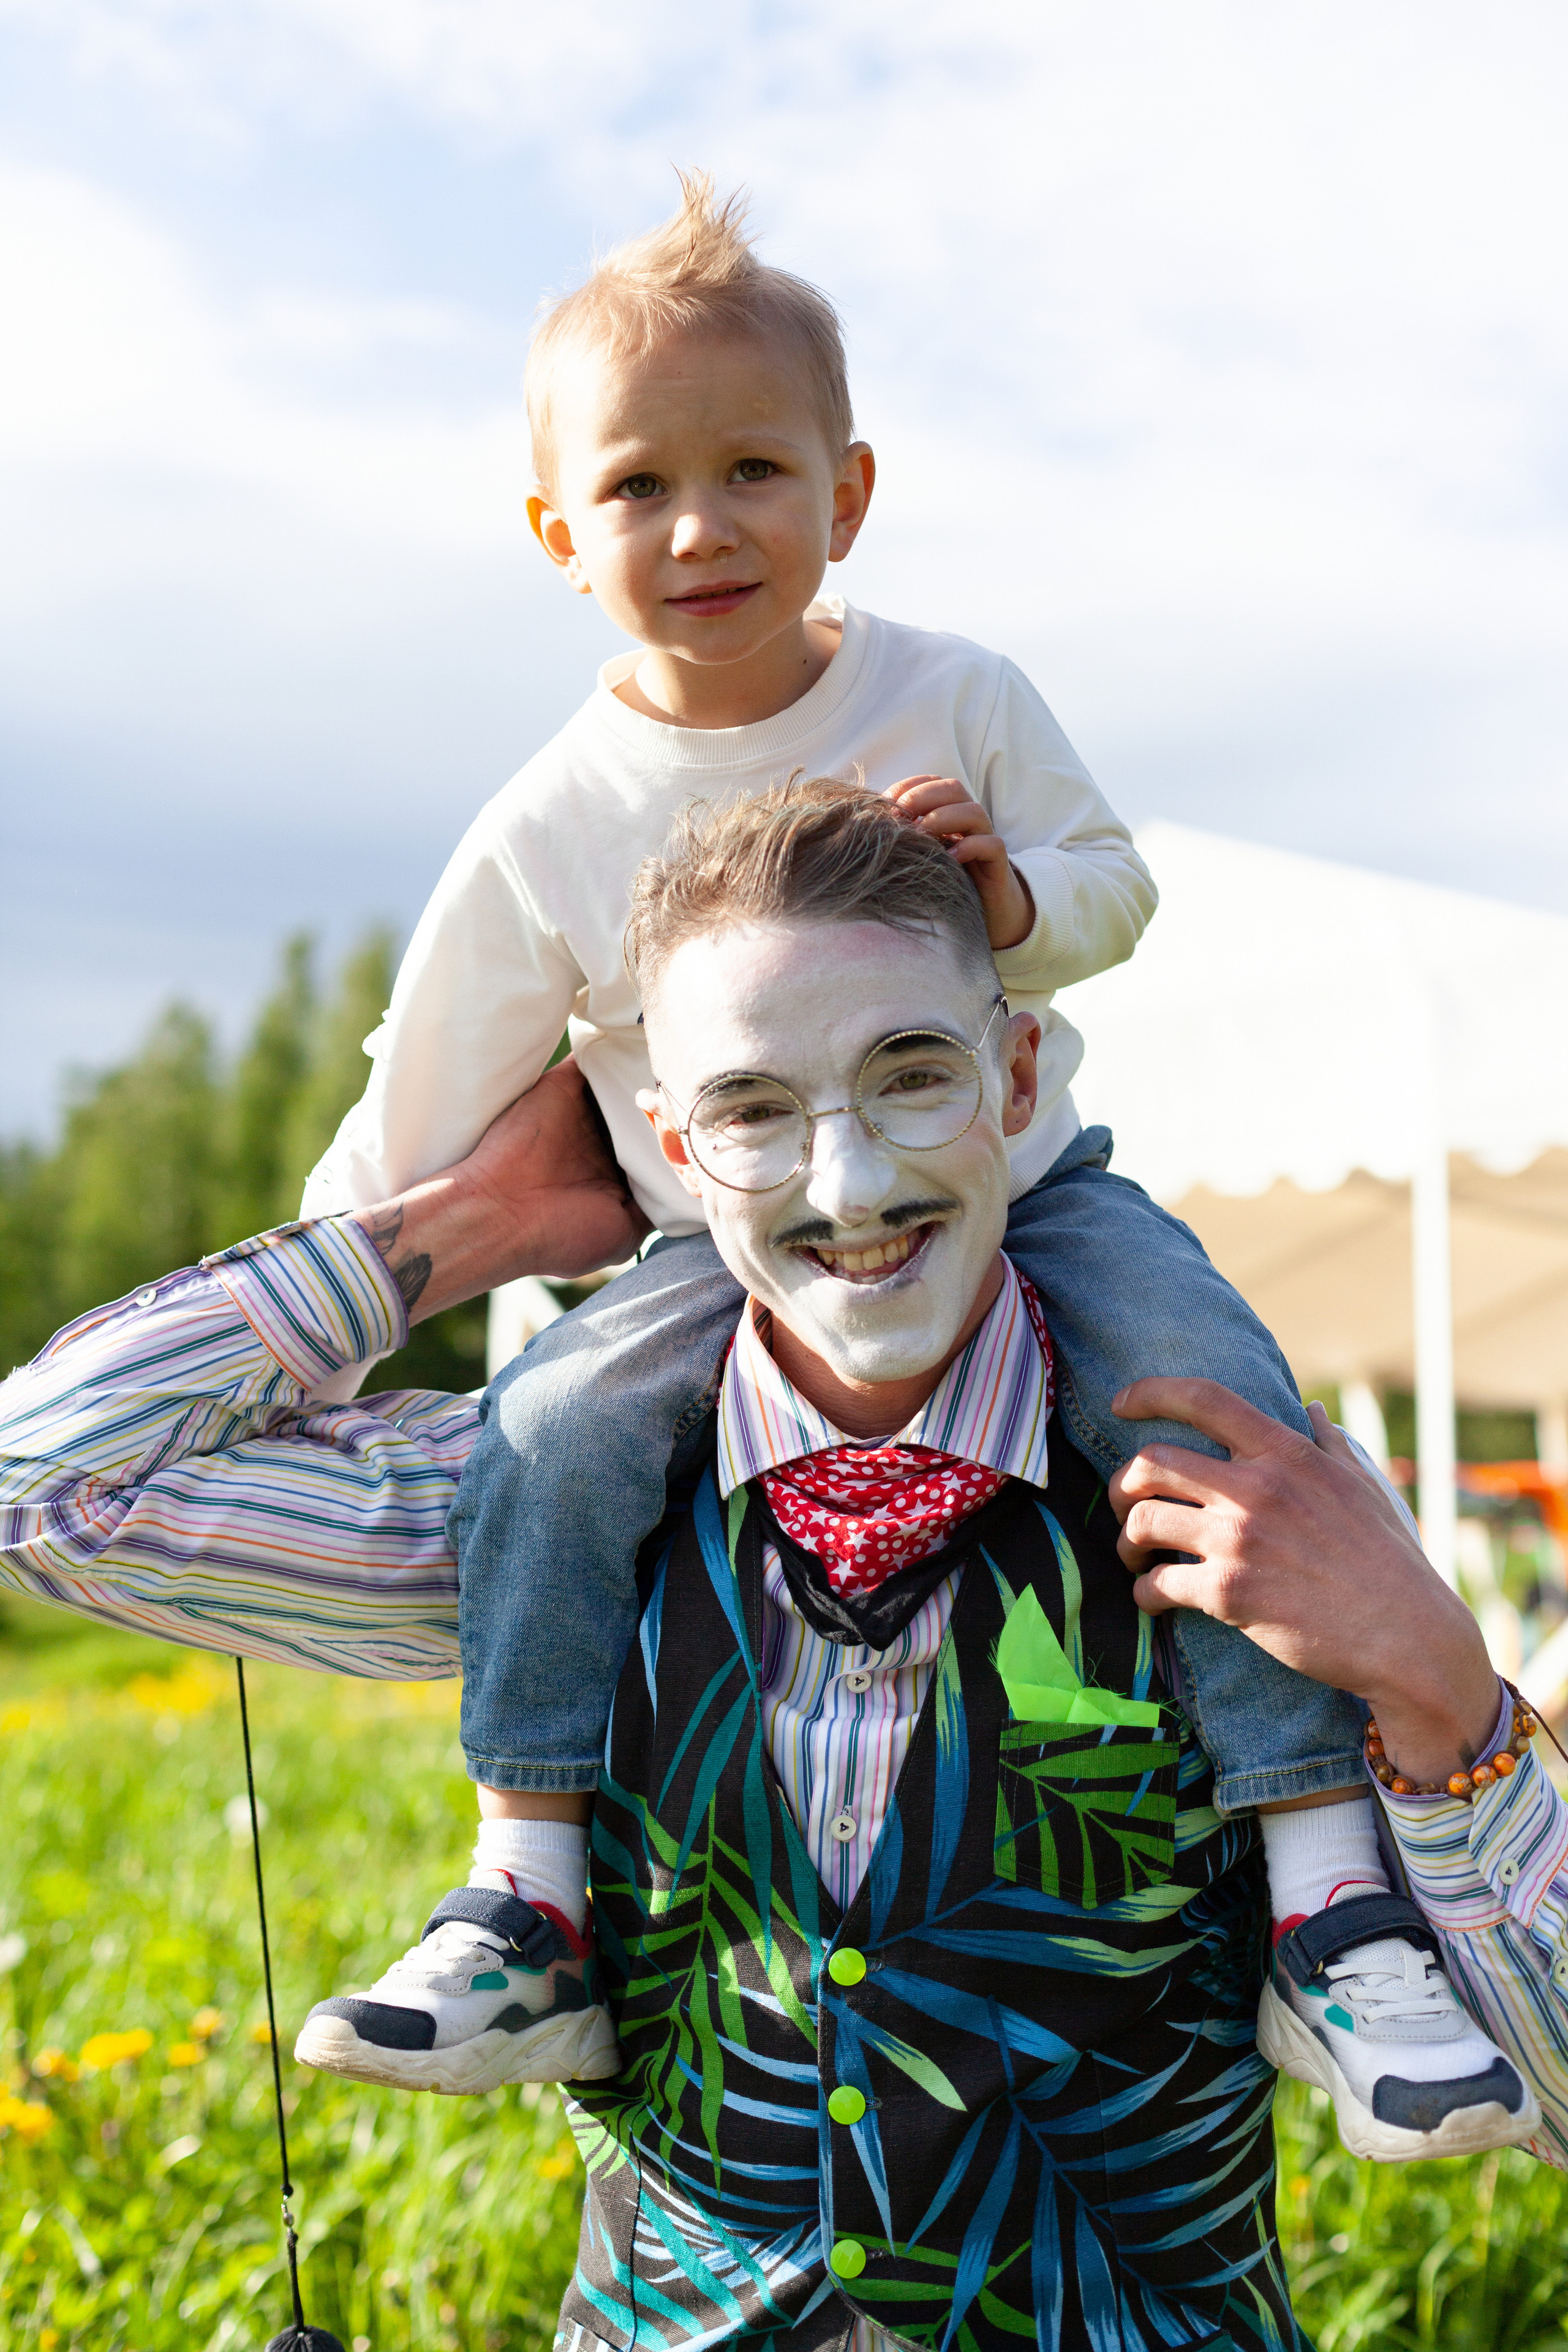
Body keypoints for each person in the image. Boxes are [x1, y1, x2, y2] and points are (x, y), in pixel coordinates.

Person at [3, 793, 1563, 2352]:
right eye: (751, 1110)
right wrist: (467, 1225)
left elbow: (1547, 2094)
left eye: (912, 1076)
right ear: (678, 1148)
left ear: (1016, 1082)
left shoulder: (1251, 1519)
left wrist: (1439, 1685)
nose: (847, 1184)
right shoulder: (554, 1501)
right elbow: (43, 1486)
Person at [293, 173, 1419, 2120]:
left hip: (1025, 1192)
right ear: (560, 535)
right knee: (551, 1435)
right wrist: (316, 1287)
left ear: (851, 491)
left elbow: (1117, 887)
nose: (701, 525)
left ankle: (1329, 1892)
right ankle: (528, 1893)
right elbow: (432, 1073)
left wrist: (1003, 904)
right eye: (639, 487)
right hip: (714, 1258)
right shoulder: (553, 818)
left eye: (753, 469)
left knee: (1210, 1388)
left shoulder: (956, 693)